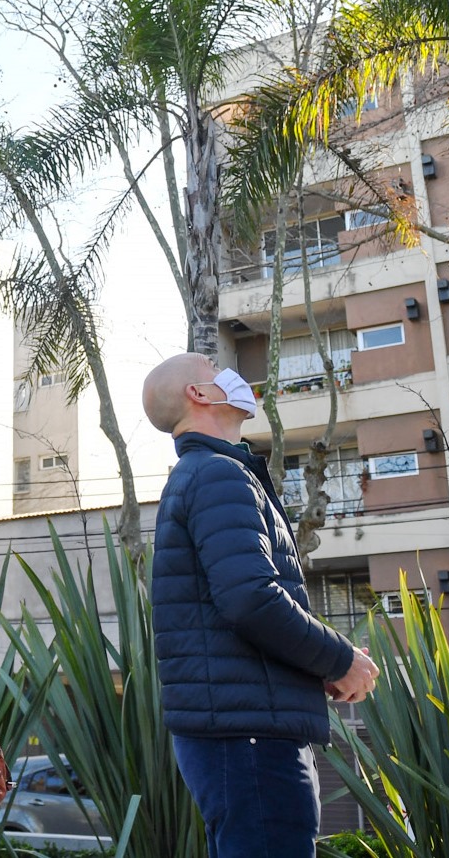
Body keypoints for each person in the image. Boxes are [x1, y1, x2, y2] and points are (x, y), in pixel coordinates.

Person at [144, 353, 379, 858]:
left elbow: (234, 607)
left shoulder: (208, 473)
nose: (230, 372)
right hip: (250, 739)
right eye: (213, 366)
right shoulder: (217, 475)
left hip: (241, 732)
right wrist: (341, 659)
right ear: (200, 395)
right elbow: (251, 600)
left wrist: (310, 668)